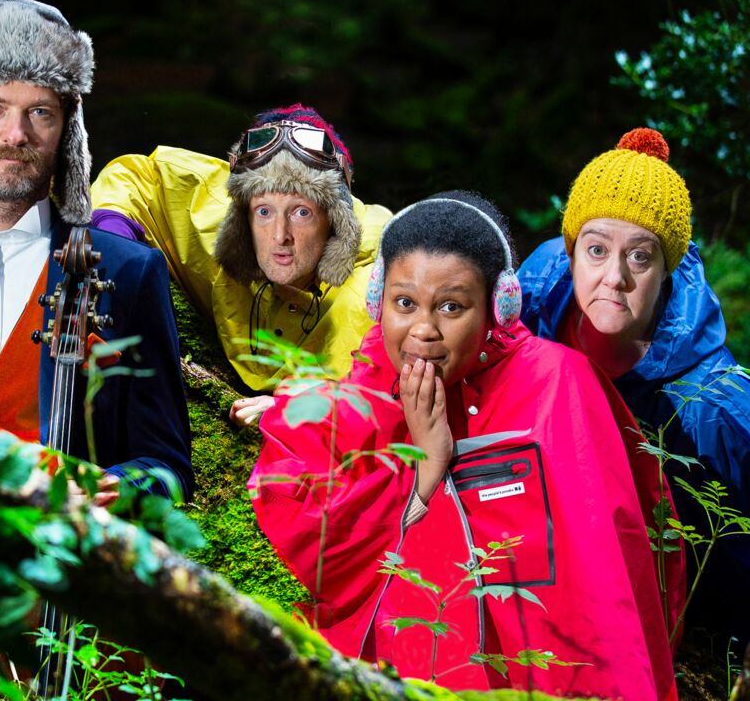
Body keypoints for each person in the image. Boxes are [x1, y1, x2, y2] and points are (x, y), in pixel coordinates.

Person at [250, 192, 683, 699]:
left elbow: (610, 581)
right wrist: (428, 465)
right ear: (377, 299)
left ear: (499, 307)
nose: (423, 330)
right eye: (404, 303)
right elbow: (316, 535)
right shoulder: (362, 394)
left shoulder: (559, 384)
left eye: (452, 306)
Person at [0, 0, 193, 502]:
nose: (15, 135)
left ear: (67, 132)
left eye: (39, 112)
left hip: (50, 572)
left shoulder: (129, 272)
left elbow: (169, 468)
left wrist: (116, 488)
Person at [518, 127, 750, 641]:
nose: (615, 277)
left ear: (667, 269)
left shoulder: (715, 407)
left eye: (640, 256)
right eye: (596, 250)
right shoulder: (524, 315)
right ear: (571, 251)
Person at [90, 105, 391, 423]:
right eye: (264, 211)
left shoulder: (371, 289)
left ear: (334, 219)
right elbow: (138, 176)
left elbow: (371, 399)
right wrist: (117, 249)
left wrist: (296, 409)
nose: (280, 236)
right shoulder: (220, 221)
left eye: (301, 212)